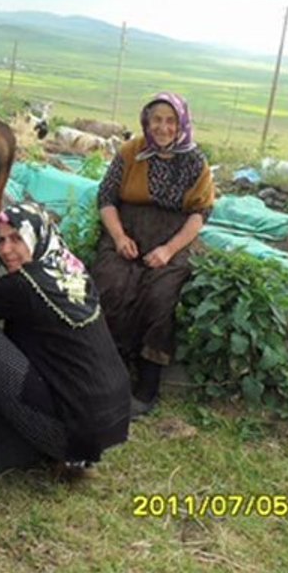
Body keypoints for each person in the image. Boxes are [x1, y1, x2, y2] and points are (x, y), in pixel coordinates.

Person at [0, 202, 131, 484]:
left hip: (70, 430)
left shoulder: (22, 286)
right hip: (104, 424)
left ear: (36, 236)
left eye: (17, 238)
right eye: (1, 240)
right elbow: (16, 301)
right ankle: (72, 456)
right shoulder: (70, 270)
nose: (6, 249)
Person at [92, 92, 215, 418]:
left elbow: (200, 213)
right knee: (110, 283)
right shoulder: (130, 152)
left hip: (171, 239)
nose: (162, 127)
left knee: (161, 295)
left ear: (182, 124)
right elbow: (106, 198)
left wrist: (169, 250)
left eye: (170, 121)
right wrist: (118, 237)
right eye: (156, 120)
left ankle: (146, 387)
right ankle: (104, 372)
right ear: (146, 122)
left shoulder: (195, 162)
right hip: (127, 231)